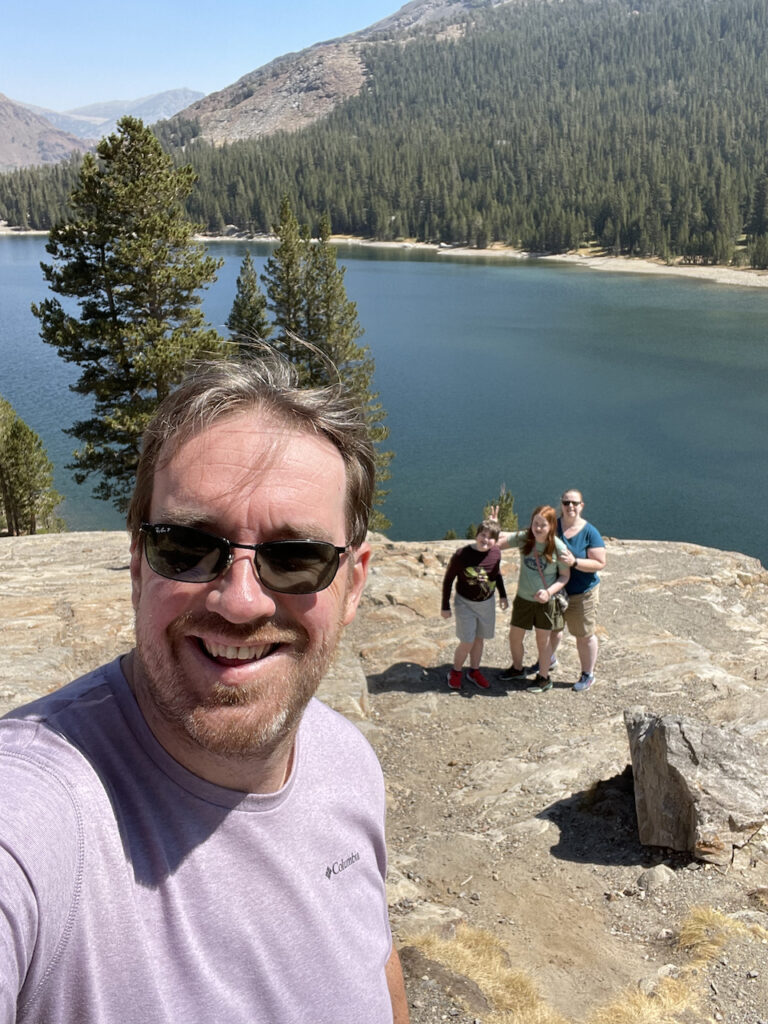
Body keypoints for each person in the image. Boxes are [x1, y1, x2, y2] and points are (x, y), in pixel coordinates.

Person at [0, 357, 409, 1024]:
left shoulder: (349, 763)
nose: (241, 602)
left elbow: (374, 959)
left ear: (353, 583)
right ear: (137, 566)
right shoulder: (35, 815)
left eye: (295, 556)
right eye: (186, 547)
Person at [493, 505, 570, 694]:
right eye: (535, 523)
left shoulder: (558, 547)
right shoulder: (525, 538)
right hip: (523, 599)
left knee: (542, 641)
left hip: (545, 602)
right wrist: (494, 528)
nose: (537, 528)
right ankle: (517, 669)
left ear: (551, 526)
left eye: (542, 525)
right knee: (514, 637)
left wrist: (549, 592)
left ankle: (544, 678)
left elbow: (564, 577)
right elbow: (498, 544)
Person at [441, 520, 508, 691]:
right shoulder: (461, 555)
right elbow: (449, 579)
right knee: (467, 641)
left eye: (491, 537)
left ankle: (474, 671)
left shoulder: (496, 553)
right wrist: (445, 606)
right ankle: (455, 672)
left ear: (496, 540)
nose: (486, 540)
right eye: (483, 535)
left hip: (487, 603)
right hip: (465, 604)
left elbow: (496, 574)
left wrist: (503, 595)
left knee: (479, 639)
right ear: (476, 535)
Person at [550, 488, 606, 692]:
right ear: (561, 504)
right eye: (566, 503)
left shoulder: (590, 532)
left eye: (574, 503)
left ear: (582, 506)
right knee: (552, 630)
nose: (570, 506)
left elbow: (600, 563)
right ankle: (549, 659)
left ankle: (587, 674)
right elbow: (528, 537)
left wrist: (574, 562)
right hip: (556, 590)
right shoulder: (552, 526)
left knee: (584, 635)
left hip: (583, 592)